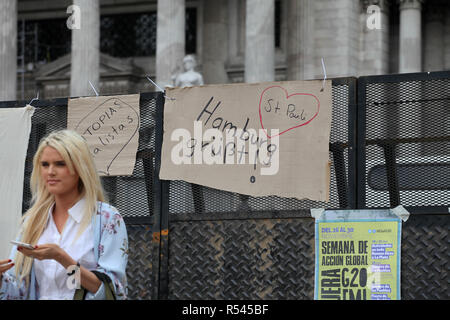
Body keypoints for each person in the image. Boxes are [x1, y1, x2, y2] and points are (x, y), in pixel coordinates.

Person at [0, 130, 128, 300]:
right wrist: (1, 280)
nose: (50, 172)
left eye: (60, 164)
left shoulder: (106, 219)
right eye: (45, 164)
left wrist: (62, 259)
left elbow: (112, 291)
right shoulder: (32, 221)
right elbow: (18, 292)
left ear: (79, 168)